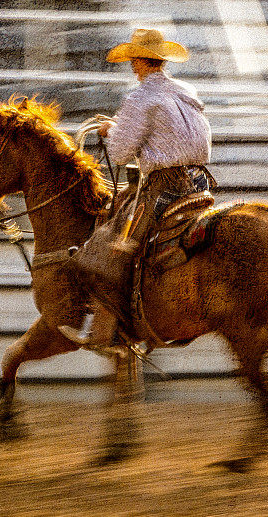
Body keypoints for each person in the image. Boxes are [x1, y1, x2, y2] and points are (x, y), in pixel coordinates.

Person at [59, 28, 213, 351]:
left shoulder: (140, 98)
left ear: (143, 61)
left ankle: (111, 333)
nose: (131, 65)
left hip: (164, 187)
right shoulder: (186, 90)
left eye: (134, 59)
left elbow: (117, 154)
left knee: (111, 248)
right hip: (199, 183)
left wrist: (110, 129)